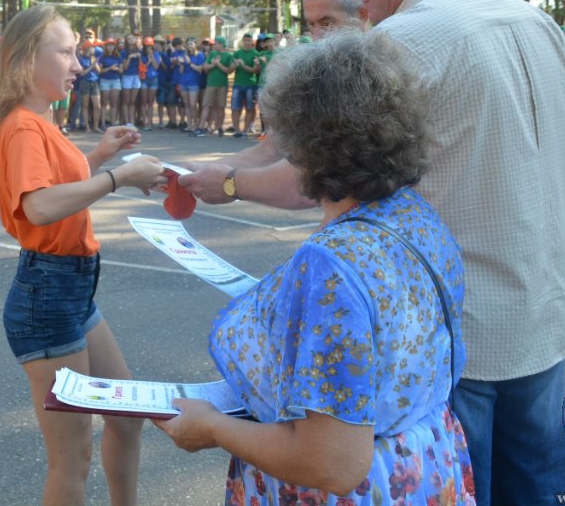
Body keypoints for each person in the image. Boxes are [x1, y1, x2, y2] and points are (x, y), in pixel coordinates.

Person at [183, 0, 565, 504]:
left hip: (452, 329)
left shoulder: (402, 39)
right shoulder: (533, 19)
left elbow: (325, 171)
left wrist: (229, 185)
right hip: (543, 313)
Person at [155, 31, 475, 505]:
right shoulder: (415, 216)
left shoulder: (329, 265)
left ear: (305, 146)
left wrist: (213, 427)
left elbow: (332, 463)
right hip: (423, 464)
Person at [0, 4, 164, 506]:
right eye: (66, 52)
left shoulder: (39, 120)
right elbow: (38, 206)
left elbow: (57, 182)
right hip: (49, 296)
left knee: (127, 414)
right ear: (24, 60)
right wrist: (119, 176)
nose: (78, 65)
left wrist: (99, 157)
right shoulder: (22, 126)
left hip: (71, 291)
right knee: (71, 460)